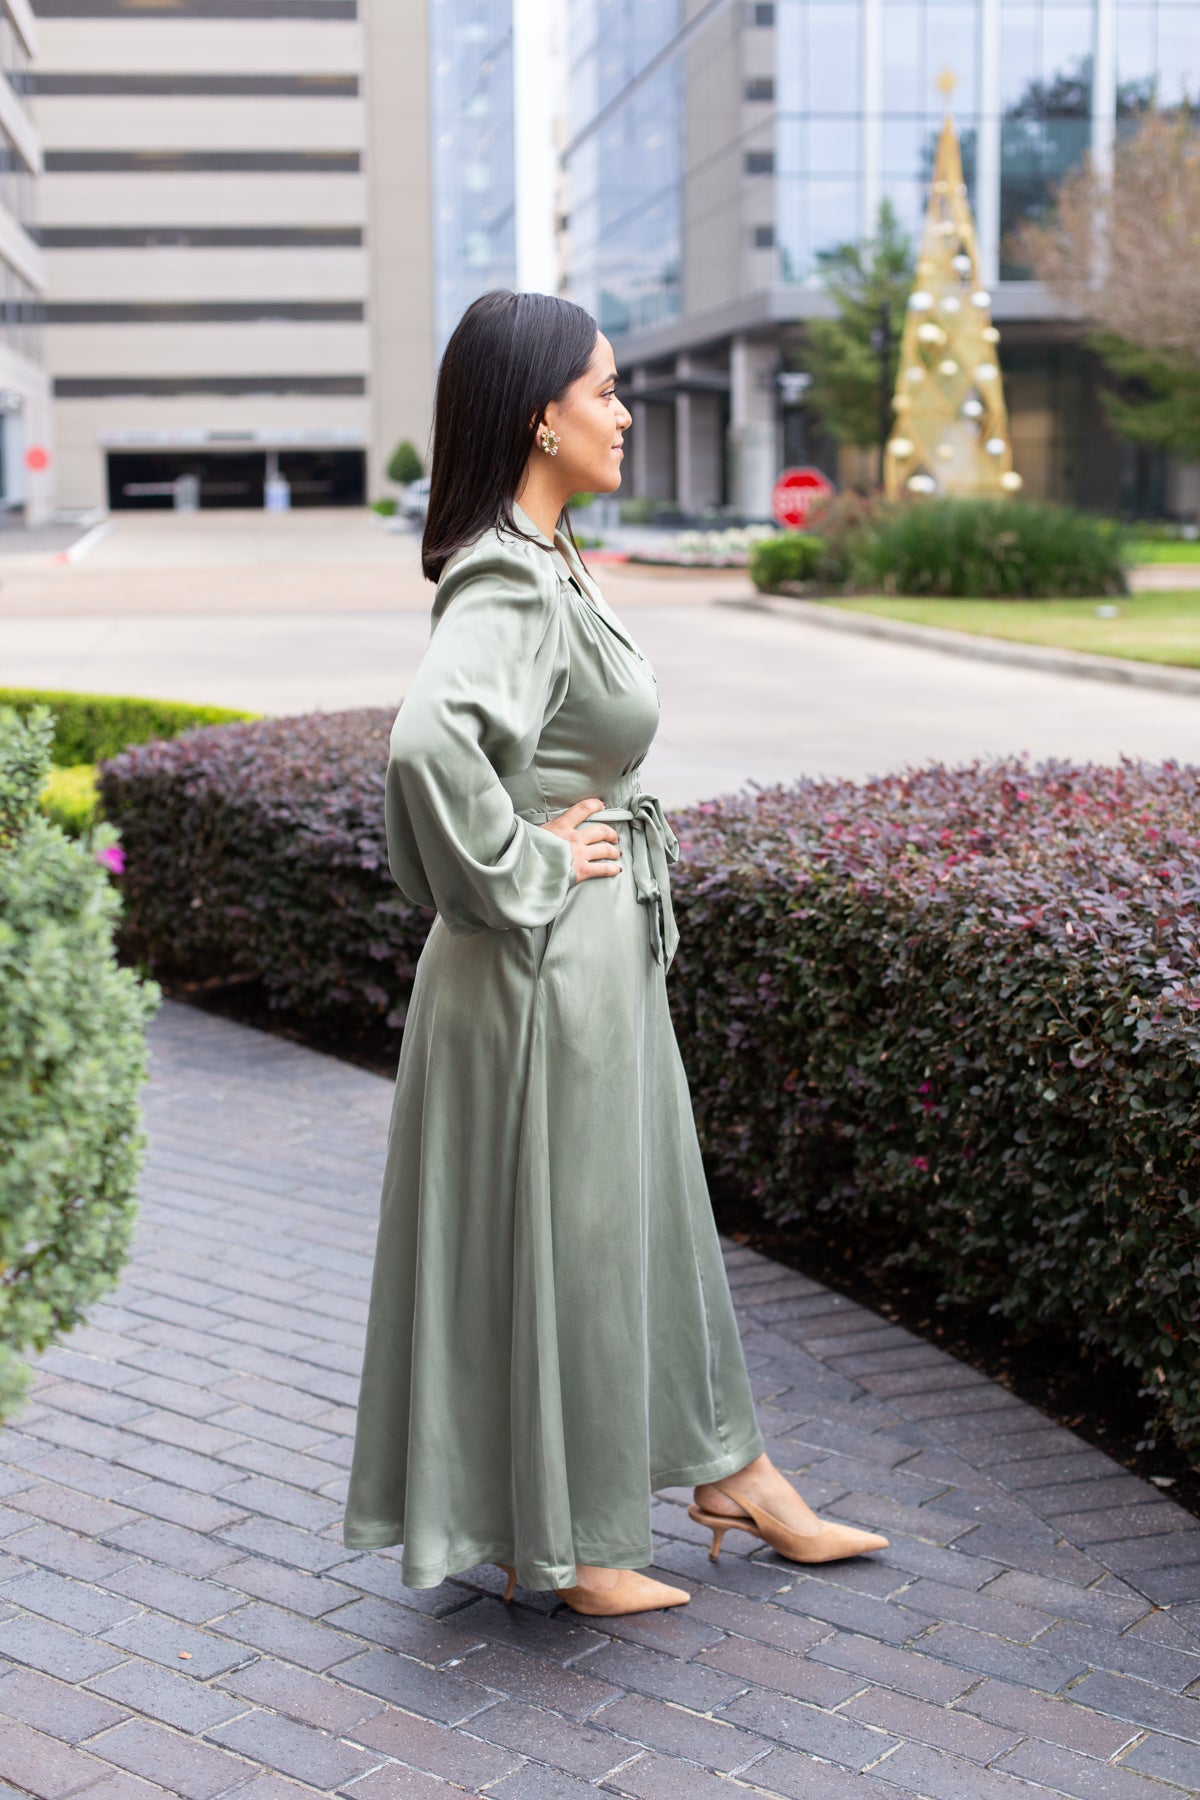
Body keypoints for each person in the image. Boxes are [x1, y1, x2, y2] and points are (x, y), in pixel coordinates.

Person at [342, 290, 887, 1616]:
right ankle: (585, 1546)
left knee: (640, 1224)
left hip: (580, 959)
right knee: (579, 1240)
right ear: (542, 416)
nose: (624, 412)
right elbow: (427, 748)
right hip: (542, 968)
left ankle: (731, 1471)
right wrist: (526, 864)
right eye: (603, 388)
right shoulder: (508, 575)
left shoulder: (549, 557)